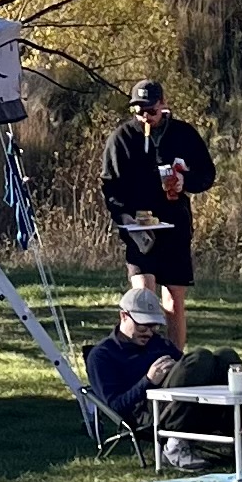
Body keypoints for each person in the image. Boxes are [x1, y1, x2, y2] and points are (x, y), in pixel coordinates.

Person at [99, 76, 216, 351]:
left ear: (163, 105)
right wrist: (124, 219)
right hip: (139, 228)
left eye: (151, 110)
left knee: (173, 298)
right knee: (143, 293)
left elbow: (207, 174)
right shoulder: (122, 139)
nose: (145, 117)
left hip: (174, 222)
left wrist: (185, 182)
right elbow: (109, 185)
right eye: (138, 111)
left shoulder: (183, 134)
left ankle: (175, 356)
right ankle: (143, 356)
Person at [82, 274, 184, 431]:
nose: (149, 333)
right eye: (143, 326)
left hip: (180, 402)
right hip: (146, 414)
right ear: (123, 316)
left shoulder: (158, 343)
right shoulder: (102, 355)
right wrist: (148, 380)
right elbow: (116, 406)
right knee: (199, 360)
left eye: (154, 326)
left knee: (223, 359)